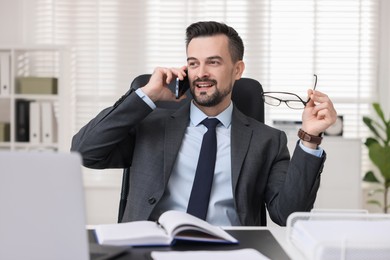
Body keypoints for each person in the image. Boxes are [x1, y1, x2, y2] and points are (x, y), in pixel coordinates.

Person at [71, 21, 337, 226]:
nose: (201, 73)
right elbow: (85, 152)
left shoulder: (267, 141)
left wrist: (310, 138)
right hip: (154, 250)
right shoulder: (150, 125)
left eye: (213, 62)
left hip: (228, 252)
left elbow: (287, 213)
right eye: (193, 63)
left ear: (237, 70)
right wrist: (146, 95)